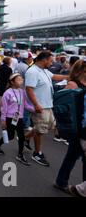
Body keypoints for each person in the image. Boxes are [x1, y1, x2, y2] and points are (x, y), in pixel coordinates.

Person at [24, 50, 68, 167]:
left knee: (46, 127)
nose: (52, 63)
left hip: (48, 105)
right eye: (50, 60)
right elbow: (29, 89)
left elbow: (54, 76)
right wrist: (36, 105)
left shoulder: (44, 70)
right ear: (44, 60)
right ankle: (37, 153)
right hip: (40, 106)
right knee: (40, 131)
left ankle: (24, 138)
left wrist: (70, 77)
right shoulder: (32, 71)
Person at [54, 59, 86, 194]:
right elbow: (63, 106)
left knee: (73, 155)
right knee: (77, 156)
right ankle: (80, 188)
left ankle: (62, 182)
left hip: (83, 125)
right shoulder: (73, 84)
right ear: (83, 70)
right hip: (77, 126)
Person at [0, 73, 35, 165]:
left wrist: (35, 109)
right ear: (12, 82)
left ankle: (19, 154)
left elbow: (25, 105)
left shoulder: (22, 92)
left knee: (21, 136)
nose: (21, 81)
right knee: (11, 136)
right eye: (18, 80)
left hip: (18, 117)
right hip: (10, 117)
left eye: (21, 79)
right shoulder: (7, 93)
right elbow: (4, 108)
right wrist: (3, 120)